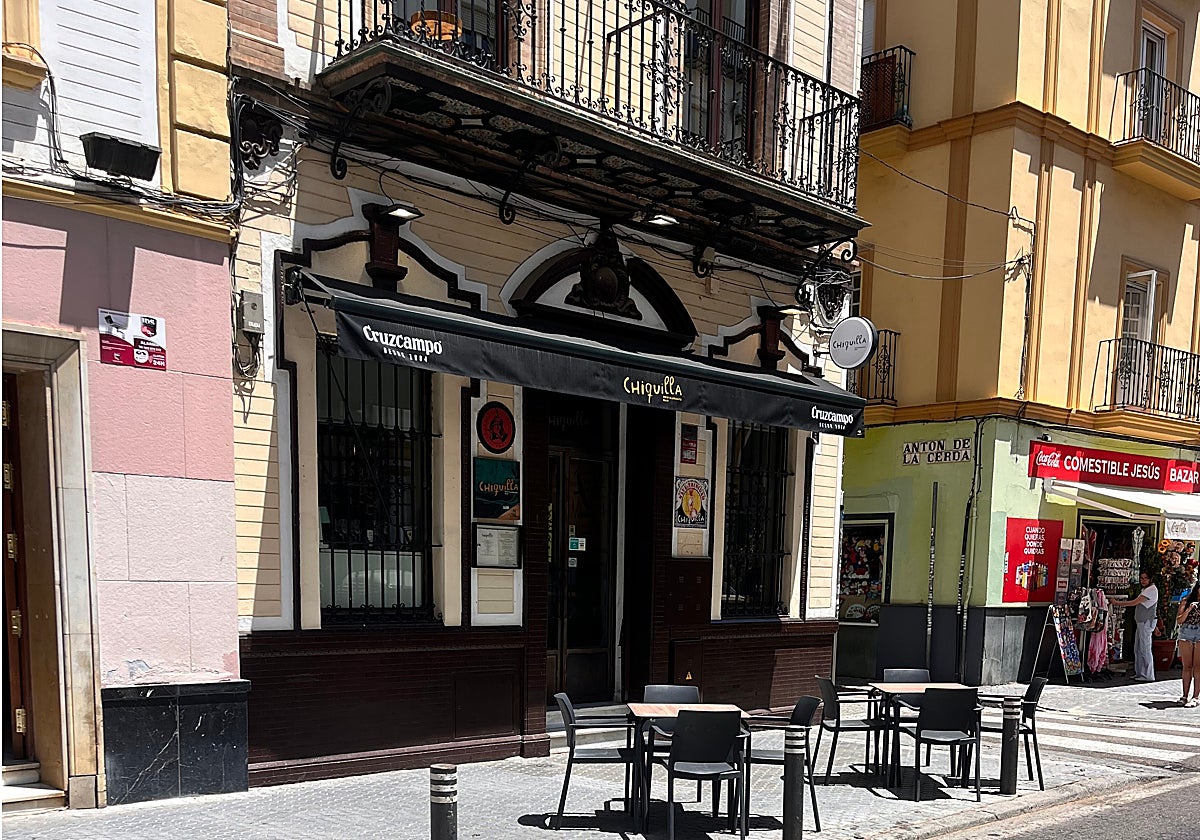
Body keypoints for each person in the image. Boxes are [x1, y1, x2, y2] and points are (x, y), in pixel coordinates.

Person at [1110, 570, 1159, 682]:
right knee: (1138, 648)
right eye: (1141, 578)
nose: (1143, 580)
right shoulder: (1146, 590)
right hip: (1141, 622)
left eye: (1145, 578)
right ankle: (1140, 673)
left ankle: (1148, 674)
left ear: (1150, 579)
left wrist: (1117, 603)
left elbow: (1134, 602)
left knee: (1145, 648)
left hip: (1145, 622)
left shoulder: (1151, 590)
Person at [1176, 581, 1200, 707]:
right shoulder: (1186, 601)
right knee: (1187, 666)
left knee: (1198, 667)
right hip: (1187, 632)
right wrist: (1190, 608)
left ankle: (1195, 697)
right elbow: (1179, 620)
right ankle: (1184, 695)